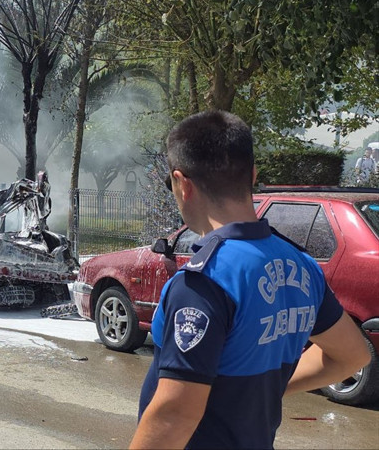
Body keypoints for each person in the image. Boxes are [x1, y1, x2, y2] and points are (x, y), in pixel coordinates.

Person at [130, 111, 370, 449]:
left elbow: (174, 415)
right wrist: (268, 387)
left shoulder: (204, 282)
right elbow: (353, 356)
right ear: (253, 175)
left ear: (183, 185)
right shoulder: (301, 265)